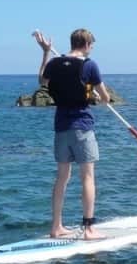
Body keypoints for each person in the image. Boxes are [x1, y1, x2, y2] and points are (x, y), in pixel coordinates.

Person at [34, 28, 111, 240]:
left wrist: (45, 52)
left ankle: (56, 227)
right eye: (92, 45)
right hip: (82, 126)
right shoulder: (89, 65)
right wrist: (94, 93)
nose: (91, 49)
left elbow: (42, 82)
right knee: (87, 176)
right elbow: (105, 98)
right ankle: (88, 229)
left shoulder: (54, 63)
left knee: (62, 178)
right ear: (86, 45)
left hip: (60, 127)